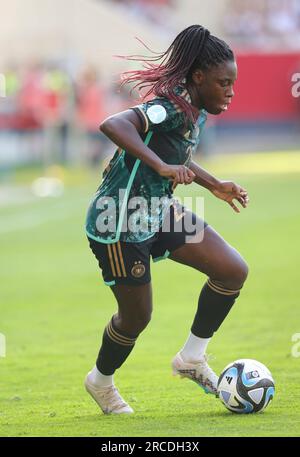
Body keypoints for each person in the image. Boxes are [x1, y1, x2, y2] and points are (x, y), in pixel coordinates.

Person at [84, 25, 249, 415]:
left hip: (159, 212)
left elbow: (177, 152)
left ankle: (192, 358)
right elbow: (114, 124)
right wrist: (159, 166)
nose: (230, 91)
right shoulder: (168, 106)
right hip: (119, 221)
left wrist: (213, 185)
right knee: (136, 317)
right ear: (198, 77)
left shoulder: (197, 108)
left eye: (233, 84)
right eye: (224, 83)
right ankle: (100, 381)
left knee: (231, 270)